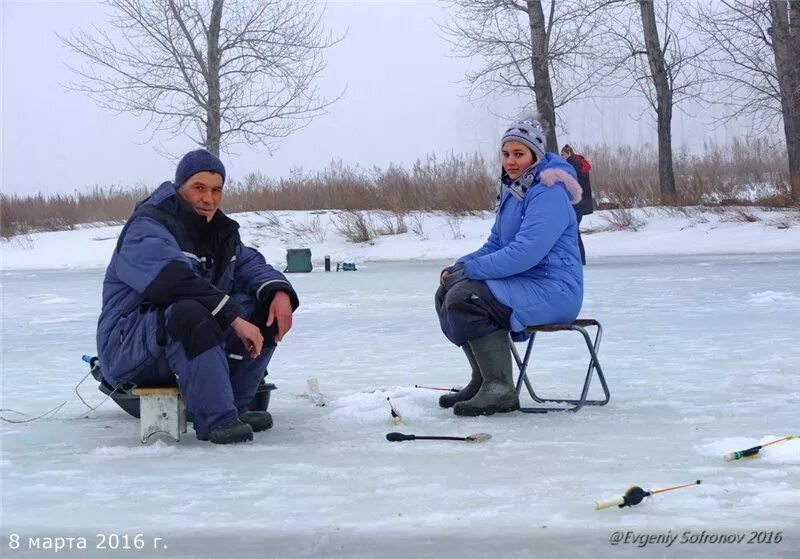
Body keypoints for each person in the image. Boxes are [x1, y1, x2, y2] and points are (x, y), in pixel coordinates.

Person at [96, 149, 299, 444]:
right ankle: (217, 420)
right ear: (180, 188)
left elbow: (250, 264)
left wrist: (278, 291)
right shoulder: (147, 227)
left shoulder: (218, 232)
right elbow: (174, 282)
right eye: (199, 188)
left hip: (183, 343)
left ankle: (236, 407)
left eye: (217, 190)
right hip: (131, 348)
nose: (209, 199)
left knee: (261, 305)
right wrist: (232, 319)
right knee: (189, 311)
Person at [435, 116, 584, 416]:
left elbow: (526, 252)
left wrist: (473, 272)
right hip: (525, 282)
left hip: (554, 290)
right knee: (448, 291)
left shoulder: (548, 192)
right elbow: (496, 243)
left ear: (535, 155)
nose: (511, 162)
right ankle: (483, 379)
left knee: (469, 297)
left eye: (519, 154)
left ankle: (501, 388)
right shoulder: (515, 190)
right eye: (506, 154)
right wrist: (461, 266)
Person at [560, 144, 594, 265]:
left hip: (577, 203)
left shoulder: (571, 165)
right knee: (573, 230)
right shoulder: (580, 163)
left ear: (569, 153)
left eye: (563, 154)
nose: (561, 157)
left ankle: (579, 259)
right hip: (583, 202)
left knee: (573, 230)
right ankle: (579, 258)